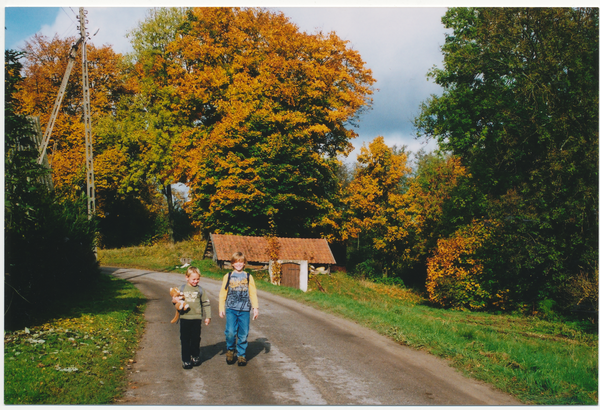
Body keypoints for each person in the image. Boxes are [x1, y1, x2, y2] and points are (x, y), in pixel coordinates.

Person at [219, 252, 259, 366]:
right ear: (232, 263)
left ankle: (241, 355)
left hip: (245, 310)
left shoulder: (248, 277)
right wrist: (221, 307)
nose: (238, 264)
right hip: (231, 309)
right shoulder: (228, 276)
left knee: (243, 333)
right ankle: (230, 350)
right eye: (236, 262)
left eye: (241, 262)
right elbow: (223, 293)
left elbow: (253, 293)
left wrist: (255, 308)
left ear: (244, 263)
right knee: (230, 332)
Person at [172, 266, 211, 369]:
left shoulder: (200, 290)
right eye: (193, 279)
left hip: (196, 318)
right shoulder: (181, 288)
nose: (195, 281)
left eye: (197, 279)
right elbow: (175, 301)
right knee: (185, 339)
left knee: (195, 339)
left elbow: (206, 303)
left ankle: (195, 356)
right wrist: (174, 301)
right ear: (187, 277)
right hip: (185, 318)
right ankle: (186, 360)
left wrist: (208, 316)